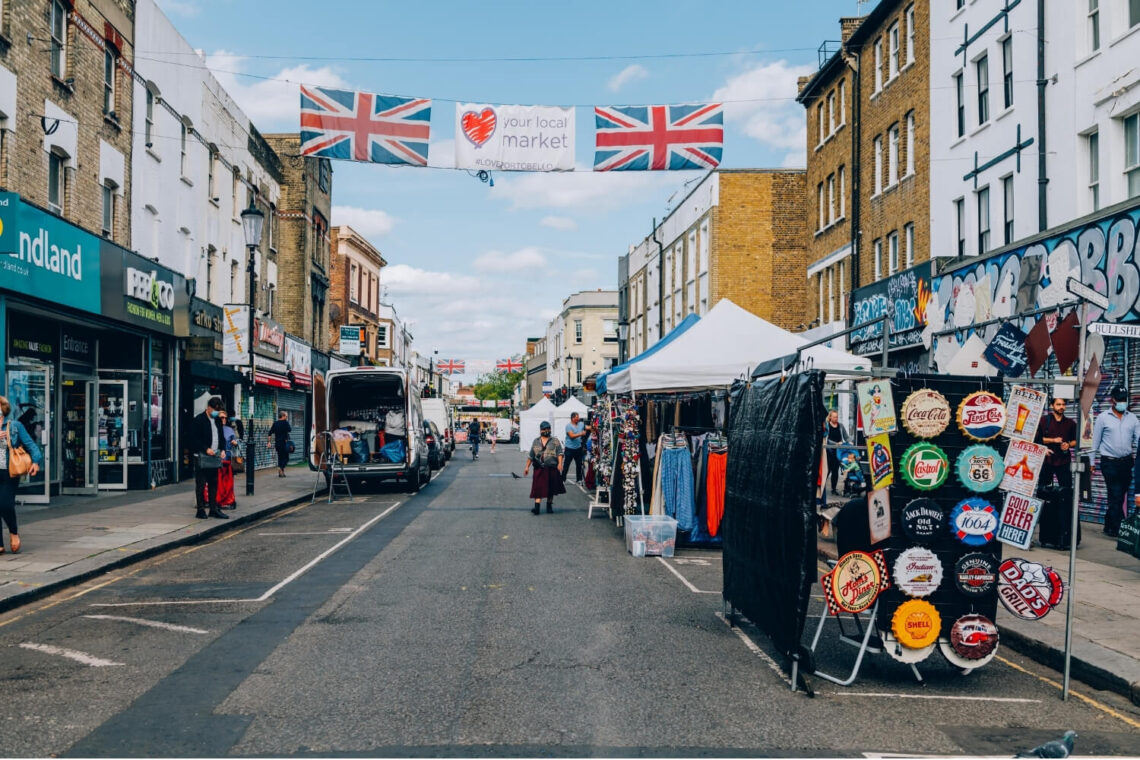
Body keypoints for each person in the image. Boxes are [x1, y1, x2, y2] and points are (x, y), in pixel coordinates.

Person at [1091, 386, 1140, 537]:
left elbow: (1139, 439)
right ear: (1112, 399)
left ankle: (1109, 525)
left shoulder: (1132, 418)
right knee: (1116, 493)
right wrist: (1091, 462)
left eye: (1124, 399)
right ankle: (1120, 529)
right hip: (1109, 462)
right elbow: (1095, 441)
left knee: (1119, 495)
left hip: (1126, 462)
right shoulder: (1103, 417)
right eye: (1119, 399)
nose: (1122, 402)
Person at [0, 394, 43, 553]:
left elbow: (31, 445)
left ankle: (13, 532)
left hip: (9, 472)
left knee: (4, 504)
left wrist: (36, 462)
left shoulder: (15, 426)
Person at [191, 397, 228, 519]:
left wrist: (223, 450)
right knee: (201, 484)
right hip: (202, 456)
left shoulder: (217, 420)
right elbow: (193, 439)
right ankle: (200, 510)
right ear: (209, 407)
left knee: (214, 483)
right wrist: (206, 449)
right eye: (215, 410)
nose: (217, 412)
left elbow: (221, 437)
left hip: (214, 456)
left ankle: (213, 509)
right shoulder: (199, 419)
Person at [523, 420, 564, 514]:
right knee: (537, 487)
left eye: (548, 428)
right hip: (539, 468)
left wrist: (560, 464)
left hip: (552, 467)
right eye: (544, 429)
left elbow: (560, 453)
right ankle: (536, 507)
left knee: (551, 488)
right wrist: (527, 467)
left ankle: (549, 505)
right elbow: (531, 455)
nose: (546, 430)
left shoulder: (555, 441)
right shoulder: (536, 441)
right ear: (540, 430)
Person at [214, 410, 237, 510]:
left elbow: (236, 442)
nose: (223, 419)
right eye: (221, 417)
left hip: (227, 459)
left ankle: (227, 500)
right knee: (217, 481)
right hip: (215, 459)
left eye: (224, 418)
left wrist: (235, 443)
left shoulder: (229, 430)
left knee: (227, 482)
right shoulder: (213, 429)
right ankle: (217, 500)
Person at [824, 409, 848, 496]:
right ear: (830, 417)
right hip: (829, 451)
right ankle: (821, 488)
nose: (836, 418)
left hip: (838, 452)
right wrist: (836, 443)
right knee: (827, 470)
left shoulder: (840, 426)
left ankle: (833, 489)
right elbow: (827, 439)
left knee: (835, 471)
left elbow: (846, 436)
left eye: (837, 417)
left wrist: (849, 442)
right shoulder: (827, 426)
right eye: (834, 417)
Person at [561, 412, 588, 484]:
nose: (578, 419)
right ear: (573, 418)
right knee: (566, 465)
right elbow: (571, 436)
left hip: (578, 448)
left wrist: (594, 426)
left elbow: (587, 427)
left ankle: (579, 479)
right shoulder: (568, 426)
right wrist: (581, 434)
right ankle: (563, 479)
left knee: (579, 465)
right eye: (576, 418)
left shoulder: (581, 424)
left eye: (578, 418)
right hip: (569, 448)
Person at [267, 411, 292, 477]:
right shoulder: (285, 423)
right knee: (286, 458)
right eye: (286, 416)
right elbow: (290, 430)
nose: (287, 417)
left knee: (280, 457)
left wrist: (269, 442)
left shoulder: (275, 423)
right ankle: (280, 468)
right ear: (283, 416)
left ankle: (281, 473)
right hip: (284, 443)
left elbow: (270, 433)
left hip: (277, 443)